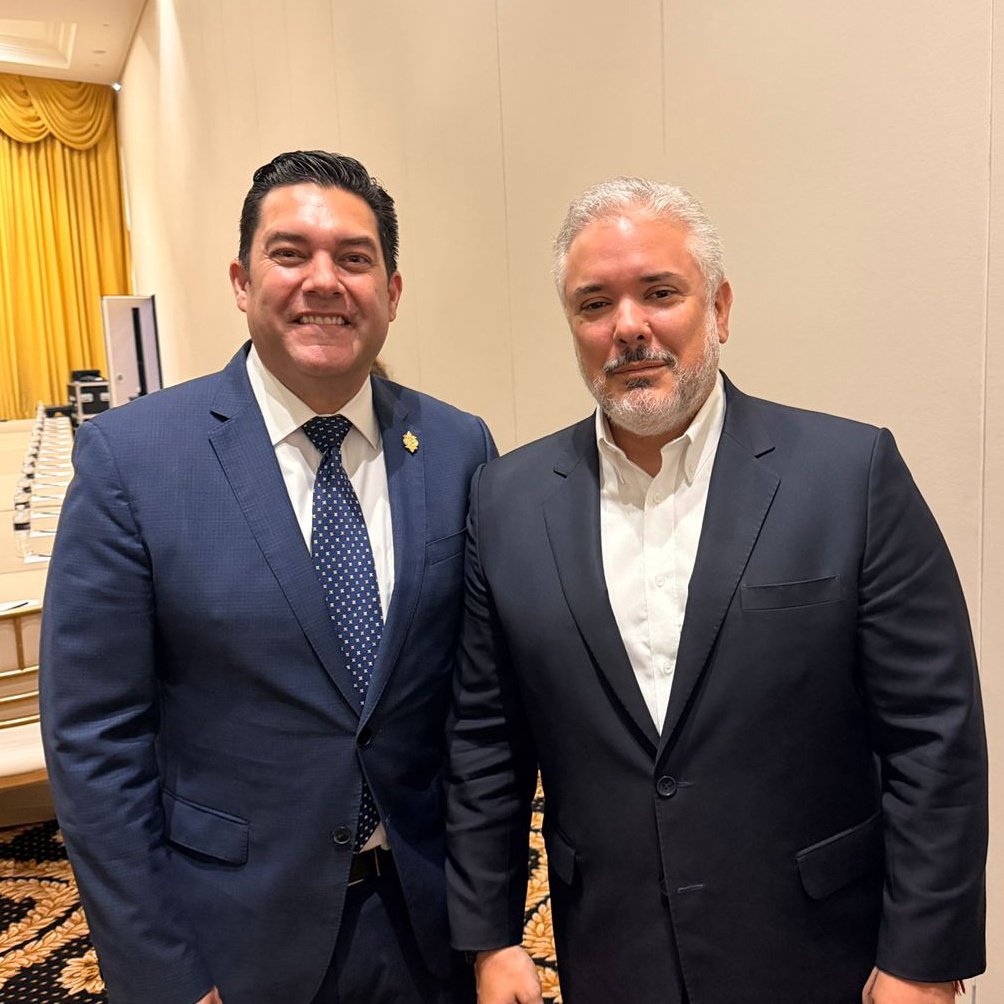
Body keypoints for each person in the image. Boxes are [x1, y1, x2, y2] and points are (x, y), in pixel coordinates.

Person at [446, 177, 987, 1004]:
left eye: (660, 292)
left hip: (821, 954)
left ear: (720, 308)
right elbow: (487, 739)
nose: (628, 326)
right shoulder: (506, 502)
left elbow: (933, 736)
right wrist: (490, 937)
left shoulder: (849, 477)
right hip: (611, 954)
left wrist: (924, 959)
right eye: (595, 304)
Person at [40, 150, 494, 1004]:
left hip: (428, 926)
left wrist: (489, 923)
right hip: (232, 940)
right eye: (290, 254)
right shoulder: (133, 461)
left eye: (354, 258)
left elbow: (475, 707)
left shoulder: (457, 446)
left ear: (392, 292)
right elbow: (96, 744)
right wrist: (166, 977)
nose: (324, 281)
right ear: (242, 282)